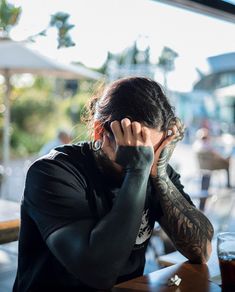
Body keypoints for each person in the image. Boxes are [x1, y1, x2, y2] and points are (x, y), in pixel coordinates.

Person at [13, 77, 214, 291]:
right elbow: (99, 274)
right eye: (137, 149)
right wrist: (136, 170)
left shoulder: (153, 167)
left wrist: (160, 174)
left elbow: (201, 251)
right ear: (100, 132)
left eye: (153, 151)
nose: (146, 159)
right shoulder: (52, 173)